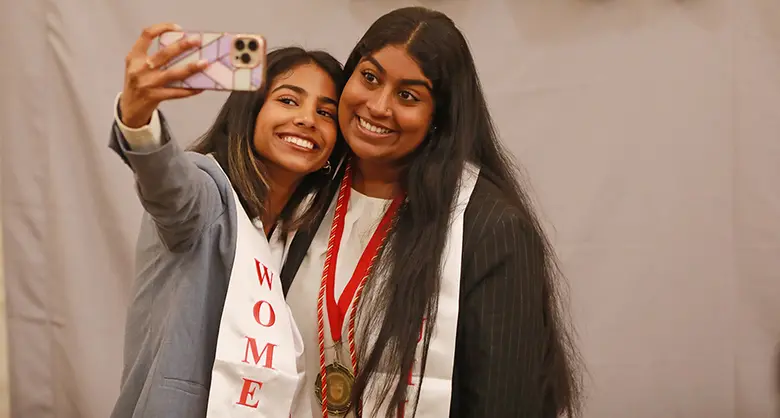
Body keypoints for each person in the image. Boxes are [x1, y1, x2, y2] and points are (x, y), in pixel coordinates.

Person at [280, 6, 583, 418]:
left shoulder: (489, 227)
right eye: (369, 77)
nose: (378, 106)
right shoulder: (303, 190)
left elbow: (506, 401)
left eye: (408, 95)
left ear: (438, 117)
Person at [107, 23, 346, 418]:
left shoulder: (304, 238)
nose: (307, 119)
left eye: (326, 112)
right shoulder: (207, 193)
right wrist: (137, 120)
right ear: (250, 111)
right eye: (288, 101)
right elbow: (168, 187)